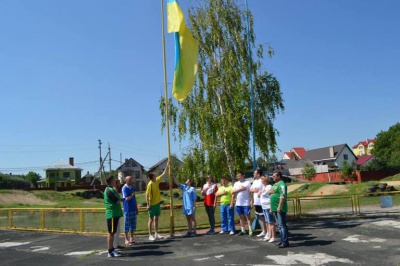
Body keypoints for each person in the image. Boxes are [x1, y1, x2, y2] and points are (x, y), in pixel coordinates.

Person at [146, 163, 168, 241]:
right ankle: (150, 235)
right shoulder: (150, 184)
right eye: (154, 174)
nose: (156, 174)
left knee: (156, 219)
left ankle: (156, 233)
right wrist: (148, 205)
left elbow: (164, 173)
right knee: (151, 219)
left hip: (157, 203)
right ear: (152, 176)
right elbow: (147, 194)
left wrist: (167, 164)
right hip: (152, 204)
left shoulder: (157, 180)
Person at [104, 175, 123, 257]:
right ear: (111, 181)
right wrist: (124, 199)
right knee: (111, 233)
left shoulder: (112, 189)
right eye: (114, 179)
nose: (116, 180)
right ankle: (110, 251)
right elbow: (117, 200)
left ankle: (112, 250)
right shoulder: (109, 190)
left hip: (114, 214)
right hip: (112, 214)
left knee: (112, 232)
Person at [269, 171, 289, 248]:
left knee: (282, 225)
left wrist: (279, 206)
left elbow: (282, 196)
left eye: (274, 176)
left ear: (279, 176)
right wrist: (271, 208)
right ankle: (281, 240)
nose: (273, 177)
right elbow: (270, 193)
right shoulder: (275, 184)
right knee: (279, 226)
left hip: (280, 208)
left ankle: (285, 241)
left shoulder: (282, 184)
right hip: (274, 208)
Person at [232, 172, 253, 236]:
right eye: (237, 176)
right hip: (238, 203)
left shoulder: (247, 183)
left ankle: (250, 230)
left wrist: (251, 201)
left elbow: (251, 192)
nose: (238, 177)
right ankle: (243, 230)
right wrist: (240, 189)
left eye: (240, 176)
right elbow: (233, 192)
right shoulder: (236, 183)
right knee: (241, 217)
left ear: (243, 175)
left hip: (246, 202)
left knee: (248, 216)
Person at [258, 175, 277, 243]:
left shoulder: (269, 186)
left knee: (271, 222)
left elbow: (271, 197)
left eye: (262, 180)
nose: (261, 181)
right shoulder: (264, 187)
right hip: (264, 206)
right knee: (267, 222)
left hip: (268, 206)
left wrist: (271, 208)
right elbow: (259, 194)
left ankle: (273, 236)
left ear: (266, 180)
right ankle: (269, 235)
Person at [250, 169, 267, 237]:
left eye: (255, 173)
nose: (253, 174)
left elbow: (265, 189)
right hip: (256, 202)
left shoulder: (262, 181)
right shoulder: (254, 181)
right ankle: (264, 230)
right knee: (260, 217)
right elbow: (250, 190)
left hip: (261, 202)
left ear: (258, 174)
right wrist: (252, 200)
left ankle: (267, 231)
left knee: (264, 217)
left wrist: (258, 191)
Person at [122, 176, 139, 246]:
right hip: (127, 209)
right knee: (126, 224)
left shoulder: (132, 188)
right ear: (126, 180)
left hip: (133, 208)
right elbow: (126, 199)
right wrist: (132, 195)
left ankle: (131, 238)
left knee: (132, 224)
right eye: (129, 180)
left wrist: (136, 207)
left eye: (131, 180)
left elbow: (134, 199)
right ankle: (126, 239)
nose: (130, 181)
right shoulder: (124, 188)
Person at [112, 179, 123, 250]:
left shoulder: (116, 191)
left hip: (118, 213)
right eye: (119, 183)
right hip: (114, 213)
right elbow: (116, 201)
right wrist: (123, 199)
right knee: (114, 230)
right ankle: (114, 245)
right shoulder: (113, 191)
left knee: (118, 230)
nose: (120, 184)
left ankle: (117, 243)